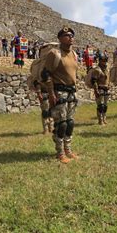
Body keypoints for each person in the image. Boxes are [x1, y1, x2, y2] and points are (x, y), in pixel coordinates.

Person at [42, 26, 79, 163]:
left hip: (71, 93)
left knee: (70, 123)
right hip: (59, 92)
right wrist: (51, 93)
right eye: (67, 35)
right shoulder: (54, 53)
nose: (70, 38)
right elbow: (46, 74)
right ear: (60, 38)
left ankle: (68, 149)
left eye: (71, 35)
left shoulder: (74, 54)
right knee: (61, 124)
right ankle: (60, 152)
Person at [90, 54, 110, 125]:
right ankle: (100, 120)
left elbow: (108, 79)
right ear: (100, 61)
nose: (104, 62)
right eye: (103, 60)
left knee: (105, 106)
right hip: (100, 89)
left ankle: (104, 118)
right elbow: (94, 81)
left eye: (105, 60)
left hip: (106, 90)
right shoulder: (97, 70)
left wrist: (109, 85)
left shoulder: (107, 69)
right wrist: (96, 91)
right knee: (100, 106)